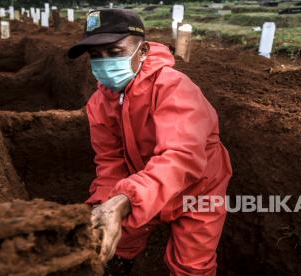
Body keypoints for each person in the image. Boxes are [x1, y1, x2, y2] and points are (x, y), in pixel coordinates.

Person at [68, 9, 232, 276]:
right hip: (143, 183)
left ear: (142, 51)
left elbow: (180, 157)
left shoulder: (175, 88)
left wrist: (122, 200)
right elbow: (110, 163)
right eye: (95, 56)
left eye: (115, 52)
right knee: (116, 242)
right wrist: (102, 205)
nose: (104, 62)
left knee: (192, 266)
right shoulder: (100, 103)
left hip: (197, 189)